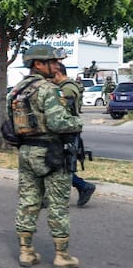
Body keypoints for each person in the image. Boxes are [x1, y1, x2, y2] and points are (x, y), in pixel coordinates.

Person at [6, 45, 83, 268]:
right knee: (58, 204)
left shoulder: (17, 90)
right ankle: (61, 255)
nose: (57, 66)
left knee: (28, 200)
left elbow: (10, 125)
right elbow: (58, 123)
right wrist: (79, 123)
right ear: (38, 64)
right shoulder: (48, 89)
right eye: (53, 62)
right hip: (51, 153)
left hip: (26, 152)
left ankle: (26, 252)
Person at [52, 62, 95, 206]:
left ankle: (83, 186)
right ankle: (82, 186)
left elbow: (63, 109)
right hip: (65, 131)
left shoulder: (67, 88)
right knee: (56, 165)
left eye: (51, 75)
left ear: (58, 73)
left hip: (67, 132)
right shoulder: (64, 87)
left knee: (59, 165)